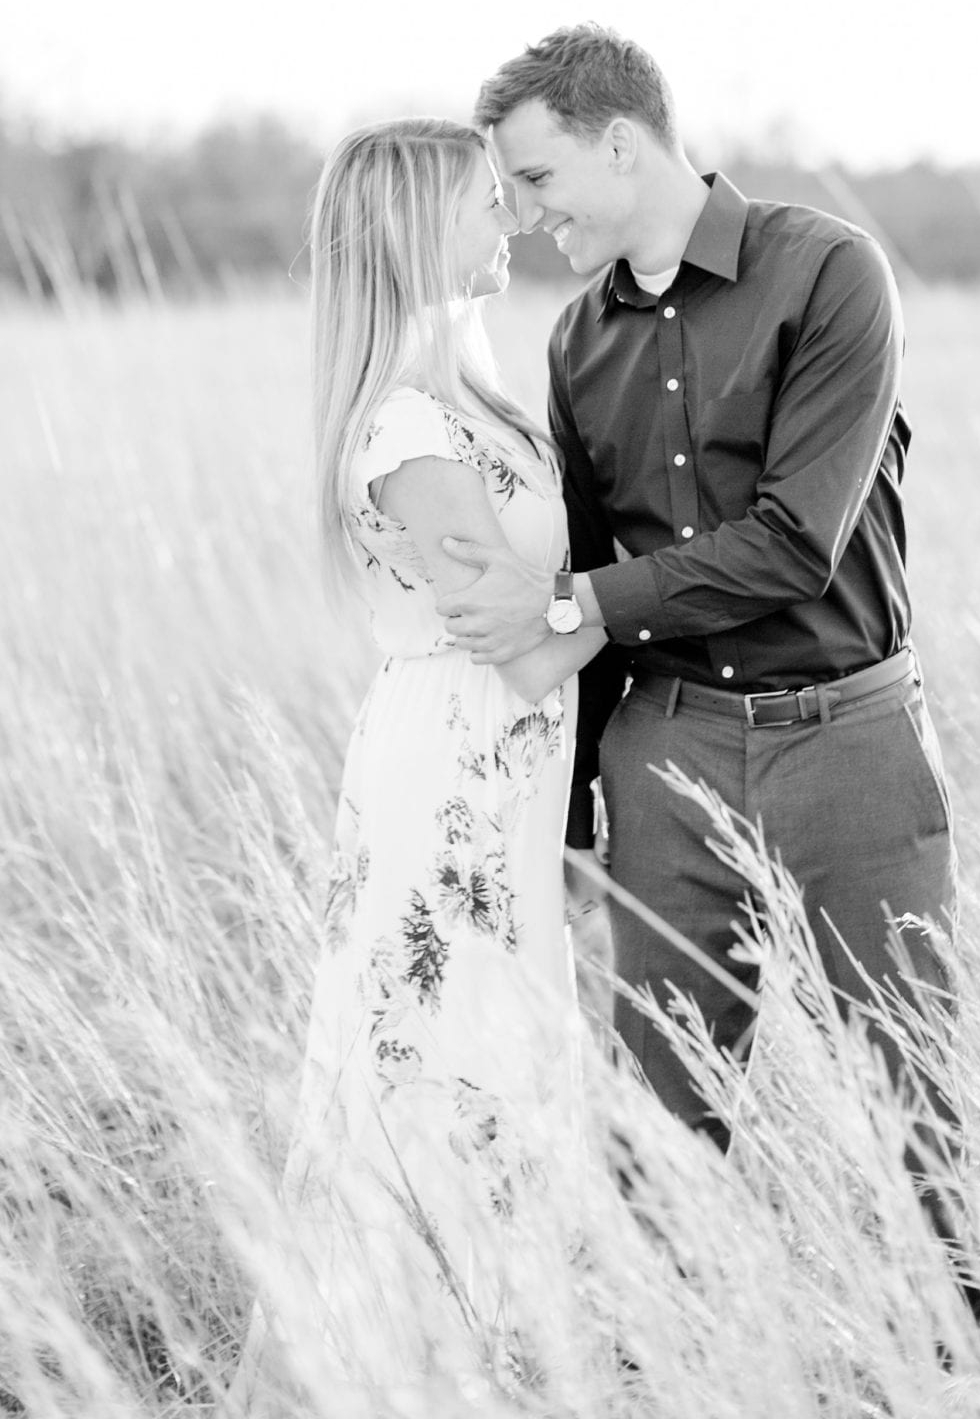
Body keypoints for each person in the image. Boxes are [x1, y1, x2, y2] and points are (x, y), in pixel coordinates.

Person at [436, 25, 961, 1191]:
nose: (521, 215)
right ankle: (670, 1368)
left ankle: (960, 1358)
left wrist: (569, 601)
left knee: (912, 1102)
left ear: (619, 145)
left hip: (849, 747)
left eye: (535, 177)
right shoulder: (578, 337)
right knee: (657, 1124)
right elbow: (592, 582)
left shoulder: (831, 273)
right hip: (664, 754)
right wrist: (570, 819)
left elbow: (792, 548)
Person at [228, 118, 608, 1408]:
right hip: (450, 770)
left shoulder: (472, 398)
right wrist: (667, 597)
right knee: (433, 1059)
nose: (507, 218)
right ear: (407, 231)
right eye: (481, 201)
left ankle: (479, 1365)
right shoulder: (401, 430)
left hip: (501, 765)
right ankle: (398, 1370)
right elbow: (514, 631)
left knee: (488, 1052)